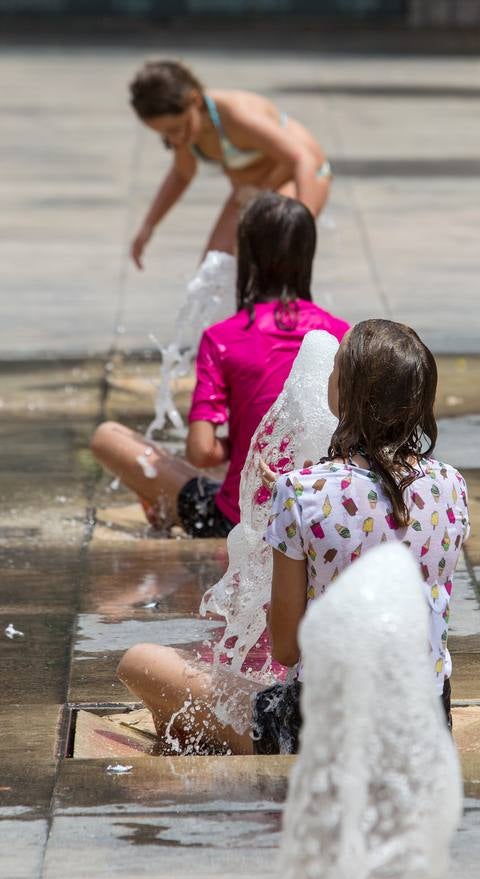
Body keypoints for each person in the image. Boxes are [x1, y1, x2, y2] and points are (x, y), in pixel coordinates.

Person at [116, 319, 470, 755]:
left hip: (321, 731)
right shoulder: (451, 485)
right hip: (426, 723)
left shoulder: (302, 493)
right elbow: (383, 522)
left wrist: (289, 514)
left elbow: (285, 647)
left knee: (142, 663)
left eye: (336, 367)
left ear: (348, 393)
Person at [91, 192, 348, 538]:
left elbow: (200, 452)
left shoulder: (223, 337)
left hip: (237, 521)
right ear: (308, 256)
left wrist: (249, 440)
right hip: (322, 512)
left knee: (107, 437)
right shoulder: (340, 333)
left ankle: (163, 509)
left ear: (247, 256)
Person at [129, 59, 332, 266]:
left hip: (298, 177)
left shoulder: (237, 116)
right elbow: (182, 174)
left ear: (195, 100)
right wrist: (148, 226)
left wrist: (303, 221)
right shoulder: (186, 131)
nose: (173, 140)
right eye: (163, 134)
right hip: (251, 193)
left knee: (268, 256)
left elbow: (303, 159)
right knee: (214, 272)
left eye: (174, 129)